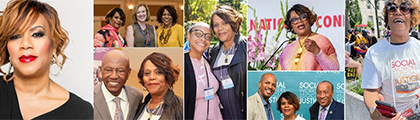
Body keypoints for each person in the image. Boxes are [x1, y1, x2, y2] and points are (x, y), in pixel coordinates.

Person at [0, 0, 92, 119]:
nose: (25, 44)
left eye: (37, 34)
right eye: (15, 36)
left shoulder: (81, 112)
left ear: (54, 44)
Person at [362, 0, 420, 119]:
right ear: (387, 18)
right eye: (392, 8)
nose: (398, 12)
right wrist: (375, 113)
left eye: (405, 8)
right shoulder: (374, 53)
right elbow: (371, 90)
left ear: (412, 17)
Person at [209, 5, 247, 119]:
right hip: (221, 114)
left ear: (233, 23)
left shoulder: (246, 46)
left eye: (224, 23)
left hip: (242, 112)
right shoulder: (214, 51)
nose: (219, 28)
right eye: (216, 25)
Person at [278, 4, 339, 70]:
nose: (299, 21)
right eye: (294, 19)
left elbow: (334, 70)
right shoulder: (287, 48)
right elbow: (280, 76)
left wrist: (318, 52)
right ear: (291, 26)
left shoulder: (322, 40)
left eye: (303, 17)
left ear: (309, 19)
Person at [184, 22, 222, 120]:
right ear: (188, 36)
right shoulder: (183, 63)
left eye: (208, 36)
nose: (203, 39)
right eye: (198, 34)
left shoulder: (209, 61)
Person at [94, 50, 143, 120]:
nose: (114, 76)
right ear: (101, 70)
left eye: (120, 71)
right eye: (108, 70)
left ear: (128, 73)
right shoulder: (91, 96)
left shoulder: (137, 96)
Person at [134, 52, 183, 120]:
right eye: (147, 73)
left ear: (168, 76)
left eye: (158, 72)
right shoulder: (138, 108)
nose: (151, 77)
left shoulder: (181, 107)